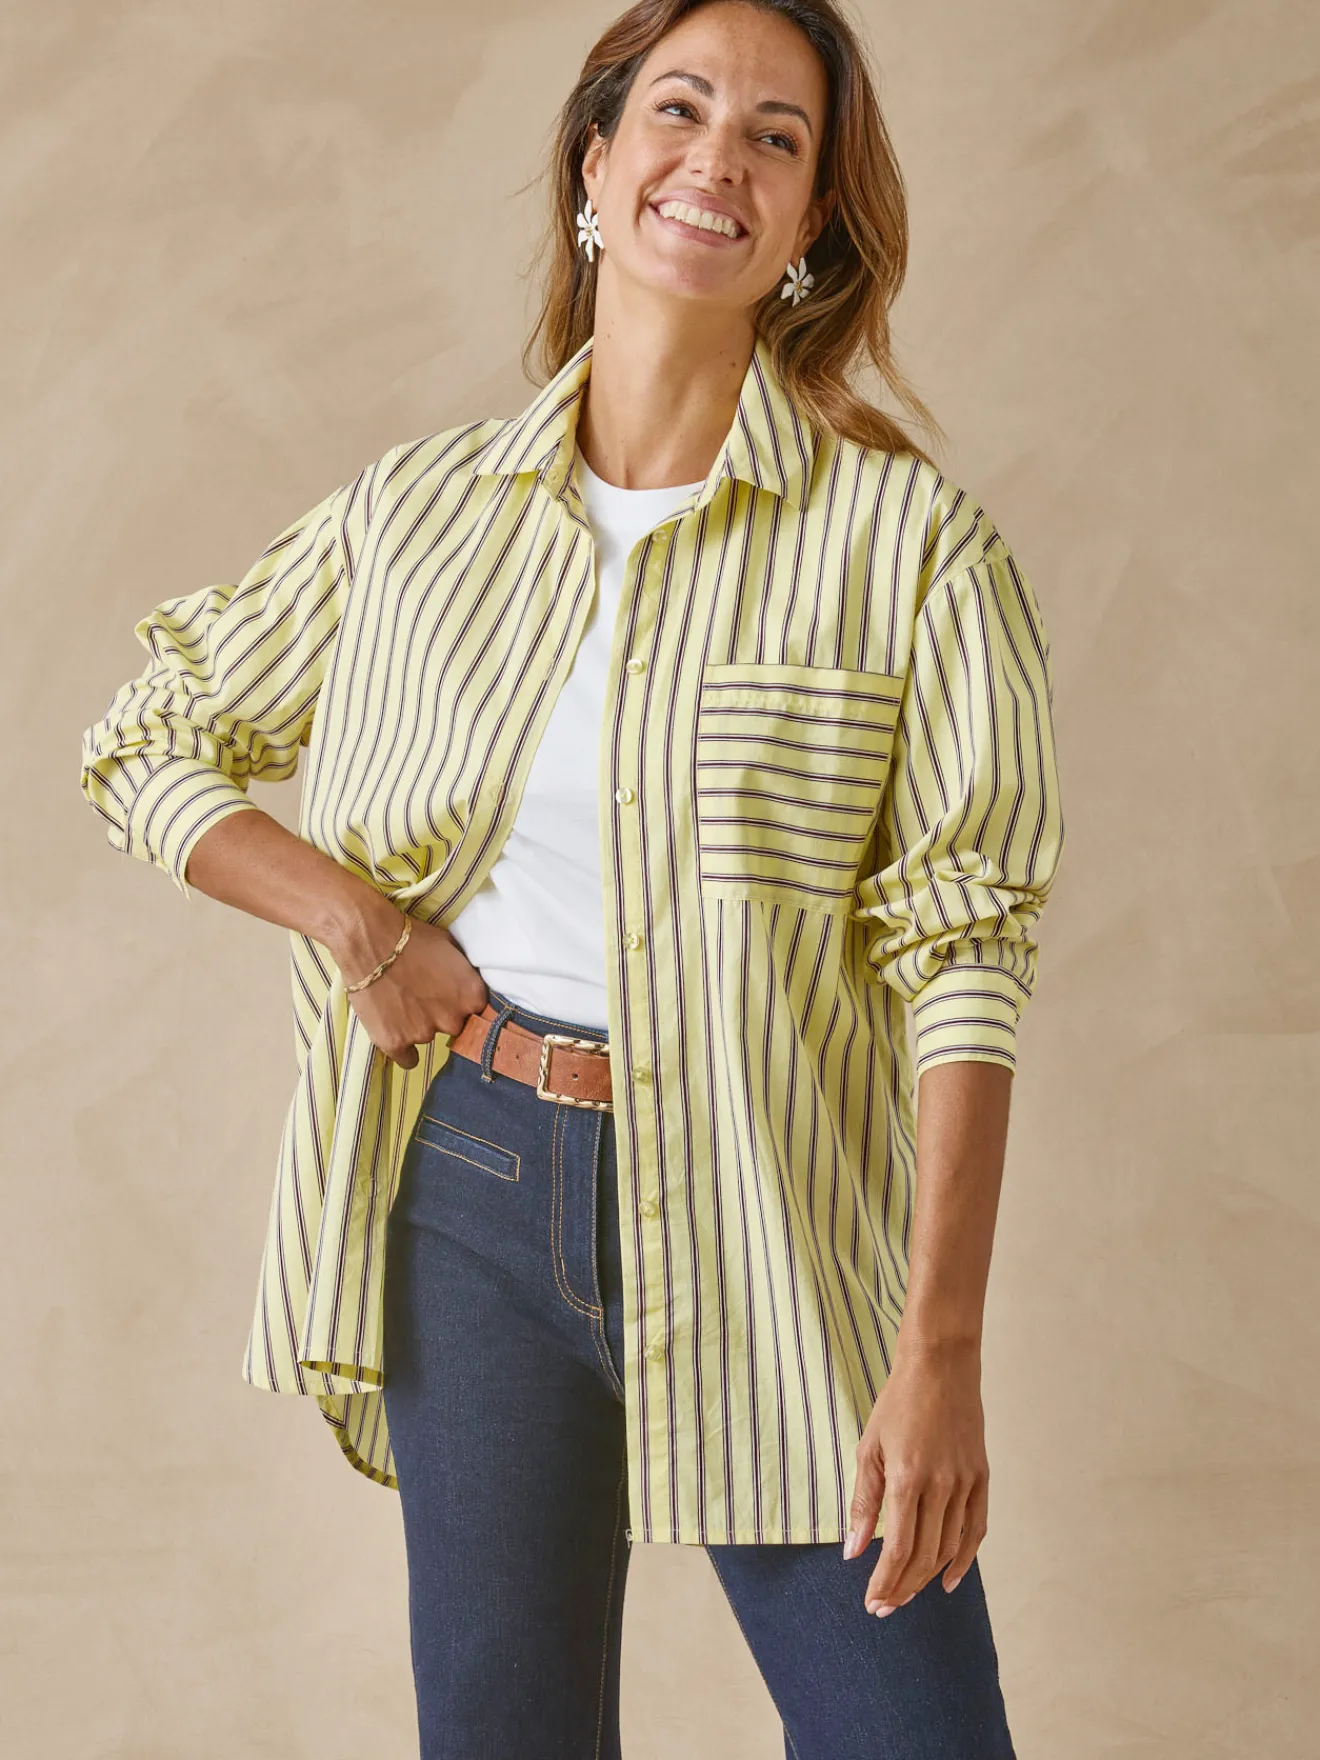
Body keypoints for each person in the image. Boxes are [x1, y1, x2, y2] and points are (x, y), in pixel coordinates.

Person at [79, 1, 1066, 1754]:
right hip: (469, 1180)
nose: (719, 158)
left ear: (813, 218)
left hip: (766, 1192)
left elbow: (964, 955)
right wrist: (358, 924)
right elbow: (144, 741)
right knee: (503, 1730)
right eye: (679, 110)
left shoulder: (911, 550)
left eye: (776, 136)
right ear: (597, 168)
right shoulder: (416, 518)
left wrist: (941, 1355)